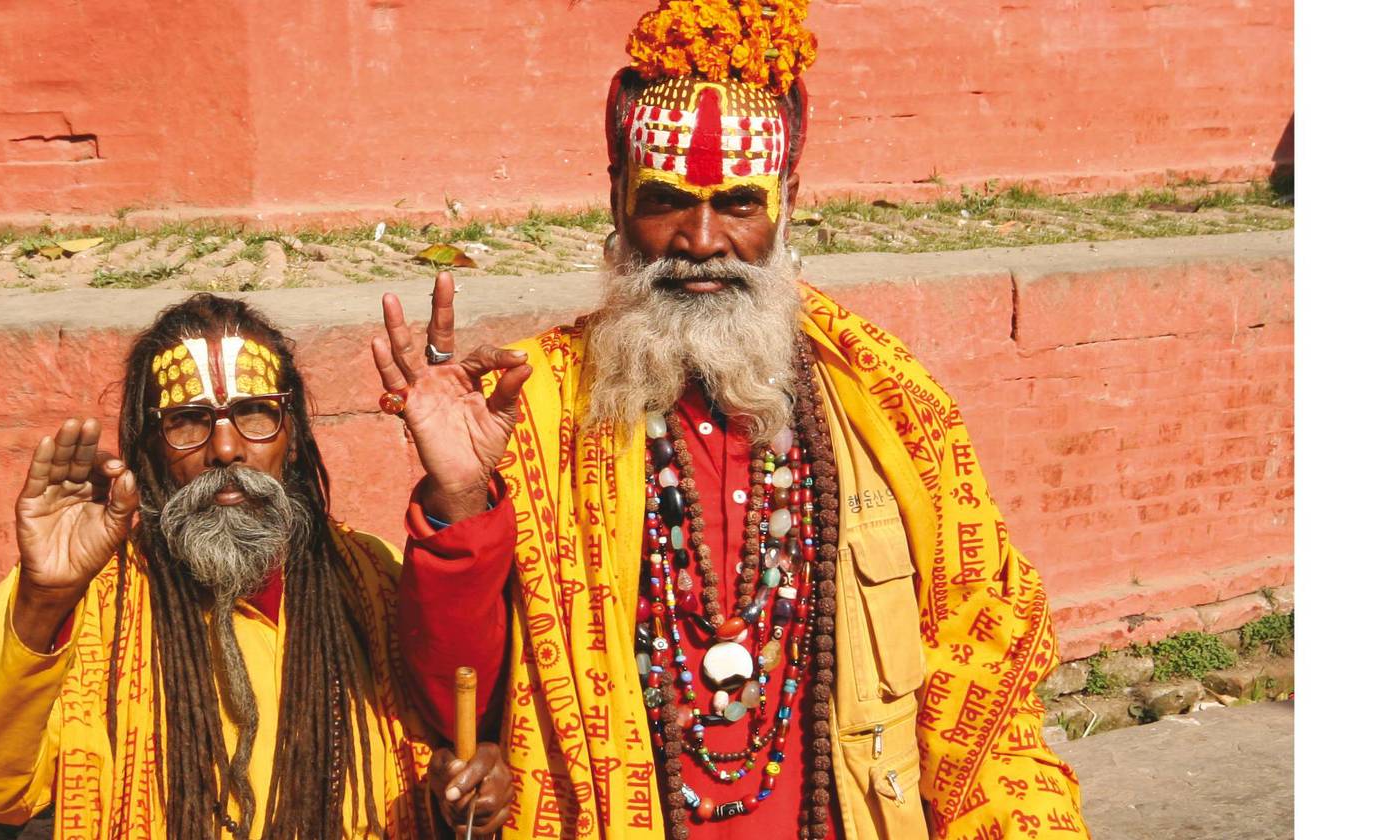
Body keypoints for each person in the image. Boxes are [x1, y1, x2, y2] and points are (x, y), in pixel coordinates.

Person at [376, 2, 1089, 838]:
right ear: (615, 199)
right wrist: (461, 501)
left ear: (787, 203)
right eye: (668, 199)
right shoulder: (531, 409)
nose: (703, 239)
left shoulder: (893, 410)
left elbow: (987, 684)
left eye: (739, 204)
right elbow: (449, 705)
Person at [0, 294, 514, 840]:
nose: (225, 449)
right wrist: (44, 599)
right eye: (188, 421)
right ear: (149, 447)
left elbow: (440, 752)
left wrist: (456, 797)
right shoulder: (83, 595)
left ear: (294, 438)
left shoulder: (367, 579)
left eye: (254, 413)